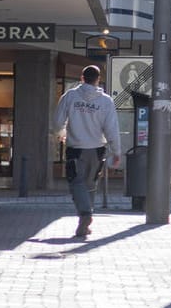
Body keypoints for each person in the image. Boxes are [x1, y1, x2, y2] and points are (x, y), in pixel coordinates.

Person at [52, 65, 122, 239]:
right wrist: (116, 151)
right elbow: (111, 128)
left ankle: (85, 214)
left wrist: (61, 133)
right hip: (98, 149)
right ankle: (84, 223)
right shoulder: (106, 101)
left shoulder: (70, 96)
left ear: (82, 78)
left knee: (77, 182)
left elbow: (57, 120)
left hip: (76, 148)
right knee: (90, 185)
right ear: (98, 79)